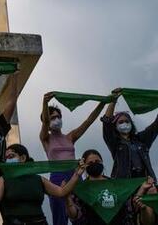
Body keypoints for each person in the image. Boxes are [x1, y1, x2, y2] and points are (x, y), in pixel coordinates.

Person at [40, 92, 107, 225]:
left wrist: (103, 103)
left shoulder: (70, 137)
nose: (56, 120)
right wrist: (45, 102)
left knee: (83, 212)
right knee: (60, 217)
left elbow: (88, 122)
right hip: (57, 177)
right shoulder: (45, 138)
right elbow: (46, 121)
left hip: (75, 175)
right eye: (53, 118)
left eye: (58, 117)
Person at [0, 144, 85, 225]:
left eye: (11, 156)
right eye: (6, 158)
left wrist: (77, 174)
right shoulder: (3, 179)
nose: (8, 161)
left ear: (22, 158)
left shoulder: (38, 179)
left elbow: (61, 192)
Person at [101, 89, 158, 179]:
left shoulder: (141, 140)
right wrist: (113, 99)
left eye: (127, 121)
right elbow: (107, 122)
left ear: (131, 124)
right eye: (121, 122)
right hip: (124, 183)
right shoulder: (114, 142)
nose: (124, 123)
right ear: (115, 126)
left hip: (145, 180)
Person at [66, 149, 134, 225]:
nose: (94, 164)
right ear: (85, 166)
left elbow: (128, 209)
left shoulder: (116, 185)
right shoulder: (81, 189)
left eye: (97, 161)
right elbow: (75, 216)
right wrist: (68, 201)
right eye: (90, 163)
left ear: (102, 162)